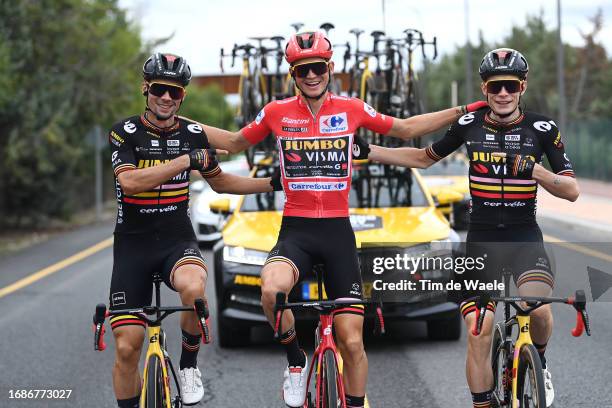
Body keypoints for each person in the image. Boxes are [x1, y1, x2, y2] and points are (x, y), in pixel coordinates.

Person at [195, 31, 487, 408]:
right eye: (303, 71)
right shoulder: (275, 112)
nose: (311, 76)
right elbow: (234, 143)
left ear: (330, 68)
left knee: (352, 340)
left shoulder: (352, 109)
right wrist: (178, 122)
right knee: (271, 291)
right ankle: (296, 363)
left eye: (318, 68)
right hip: (296, 231)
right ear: (293, 74)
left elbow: (405, 129)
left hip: (336, 233)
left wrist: (463, 110)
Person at [359, 48, 579, 408]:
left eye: (511, 86)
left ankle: (540, 359)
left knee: (538, 309)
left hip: (525, 237)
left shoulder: (542, 128)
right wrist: (370, 152)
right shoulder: (469, 125)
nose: (503, 93)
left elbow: (571, 191)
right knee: (478, 330)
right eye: (496, 87)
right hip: (481, 240)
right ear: (485, 89)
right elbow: (422, 158)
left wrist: (536, 170)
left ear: (522, 86)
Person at [108, 53, 276, 408]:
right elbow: (131, 183)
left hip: (175, 240)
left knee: (194, 289)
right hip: (133, 245)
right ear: (146, 89)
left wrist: (275, 183)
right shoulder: (124, 132)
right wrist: (185, 160)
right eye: (159, 90)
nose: (166, 98)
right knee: (126, 347)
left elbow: (225, 175)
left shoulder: (193, 132)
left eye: (174, 92)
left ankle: (187, 365)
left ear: (182, 96)